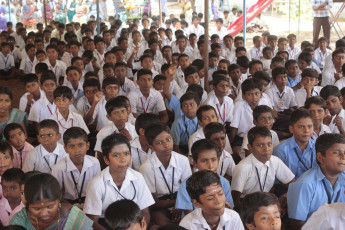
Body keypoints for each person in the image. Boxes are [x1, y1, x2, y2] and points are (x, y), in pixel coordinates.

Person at [84, 133, 154, 228]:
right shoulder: (96, 184)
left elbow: (145, 212)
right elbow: (93, 221)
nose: (123, 159)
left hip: (133, 224)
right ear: (106, 159)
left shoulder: (138, 177)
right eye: (116, 155)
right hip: (108, 225)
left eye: (126, 154)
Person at [287, 133, 345, 229]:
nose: (343, 156)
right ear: (320, 157)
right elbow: (297, 225)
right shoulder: (305, 184)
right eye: (336, 152)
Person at [140, 123, 192, 227]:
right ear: (152, 147)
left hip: (182, 201)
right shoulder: (146, 167)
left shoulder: (183, 160)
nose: (166, 145)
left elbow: (189, 190)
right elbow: (153, 203)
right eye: (159, 142)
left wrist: (180, 204)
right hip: (160, 206)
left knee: (189, 221)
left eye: (168, 139)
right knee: (166, 225)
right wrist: (176, 202)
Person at [10, 173, 99, 229]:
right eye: (36, 209)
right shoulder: (19, 220)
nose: (44, 213)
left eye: (50, 206)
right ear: (28, 205)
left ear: (58, 200)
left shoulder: (72, 216)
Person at [175, 139, 234, 215]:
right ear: (195, 163)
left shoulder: (224, 182)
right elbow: (189, 215)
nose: (210, 166)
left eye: (213, 160)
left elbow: (228, 209)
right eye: (204, 161)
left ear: (218, 160)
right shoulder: (185, 186)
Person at [52, 127, 100, 207]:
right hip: (68, 204)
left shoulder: (95, 162)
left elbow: (97, 188)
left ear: (87, 146)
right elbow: (57, 194)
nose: (77, 150)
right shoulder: (59, 168)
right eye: (72, 146)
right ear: (66, 149)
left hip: (90, 201)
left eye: (80, 145)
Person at [179, 170, 244, 230]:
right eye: (210, 198)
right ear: (197, 203)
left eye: (220, 194)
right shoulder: (187, 225)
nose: (219, 201)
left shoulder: (234, 218)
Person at [94, 96, 138, 169]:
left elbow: (138, 155)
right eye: (116, 113)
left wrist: (130, 141)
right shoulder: (103, 133)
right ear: (109, 117)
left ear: (128, 113)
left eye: (123, 111)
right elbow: (101, 158)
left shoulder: (134, 130)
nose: (121, 115)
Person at [273, 109, 316, 179]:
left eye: (309, 126)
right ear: (291, 129)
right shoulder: (280, 150)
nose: (306, 131)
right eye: (301, 127)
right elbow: (278, 181)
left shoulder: (318, 148)